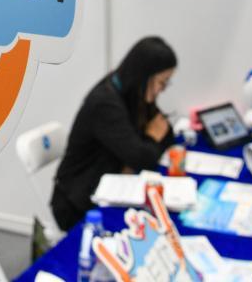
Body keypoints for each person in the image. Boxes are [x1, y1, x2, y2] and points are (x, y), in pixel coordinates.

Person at [50, 36, 176, 231]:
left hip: (108, 185)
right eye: (162, 82)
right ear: (145, 76)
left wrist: (146, 145)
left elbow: (166, 132)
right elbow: (143, 158)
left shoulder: (133, 92)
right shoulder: (105, 103)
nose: (163, 90)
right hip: (77, 203)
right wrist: (150, 139)